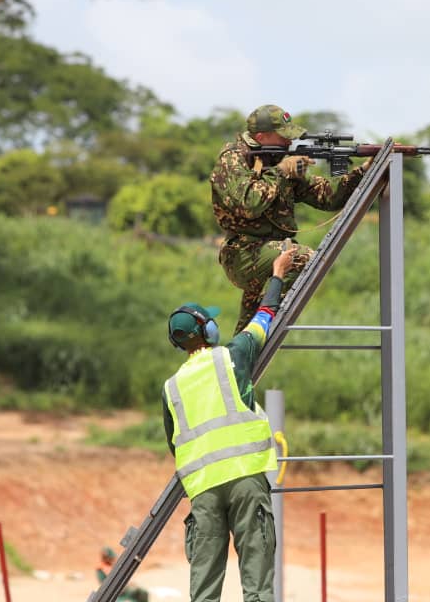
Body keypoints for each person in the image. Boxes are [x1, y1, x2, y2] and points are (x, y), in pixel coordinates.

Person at [161, 247, 296, 602]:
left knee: (204, 592)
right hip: (245, 479)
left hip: (203, 491)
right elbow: (265, 316)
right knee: (257, 585)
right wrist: (278, 274)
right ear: (207, 329)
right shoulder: (231, 357)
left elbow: (175, 443)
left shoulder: (171, 388)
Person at [211, 103, 370, 332]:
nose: (289, 143)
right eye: (283, 137)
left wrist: (363, 170)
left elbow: (327, 197)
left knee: (245, 344)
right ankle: (262, 326)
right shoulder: (234, 158)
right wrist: (281, 172)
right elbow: (249, 205)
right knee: (303, 259)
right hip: (243, 254)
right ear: (260, 136)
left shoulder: (276, 159)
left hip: (269, 254)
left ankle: (240, 356)